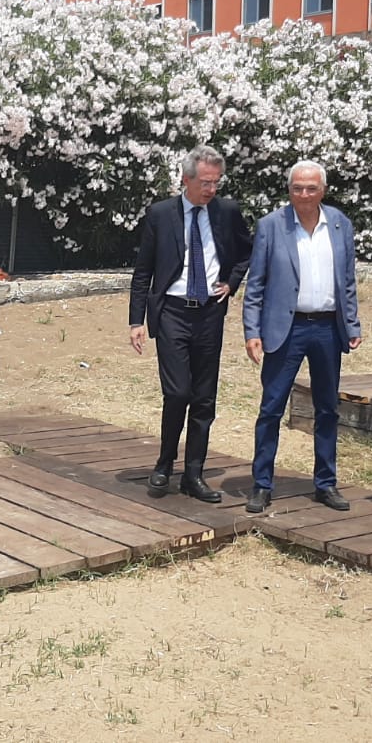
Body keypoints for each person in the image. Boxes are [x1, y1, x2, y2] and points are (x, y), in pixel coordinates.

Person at [129, 146, 253, 503]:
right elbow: (144, 270)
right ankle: (164, 465)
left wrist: (231, 282)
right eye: (205, 182)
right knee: (177, 392)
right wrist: (136, 319)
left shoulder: (226, 211)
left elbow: (246, 251)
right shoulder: (161, 213)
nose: (211, 190)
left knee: (203, 397)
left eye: (216, 182)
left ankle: (194, 474)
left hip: (210, 311)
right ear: (186, 179)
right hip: (172, 310)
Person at [241, 160, 362, 514]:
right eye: (297, 188)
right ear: (289, 190)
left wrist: (351, 324)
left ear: (322, 190)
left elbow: (348, 282)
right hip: (285, 329)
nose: (304, 195)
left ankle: (326, 483)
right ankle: (262, 484)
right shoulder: (271, 226)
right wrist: (252, 331)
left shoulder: (340, 224)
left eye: (311, 188)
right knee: (271, 409)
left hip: (326, 329)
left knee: (327, 409)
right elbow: (256, 284)